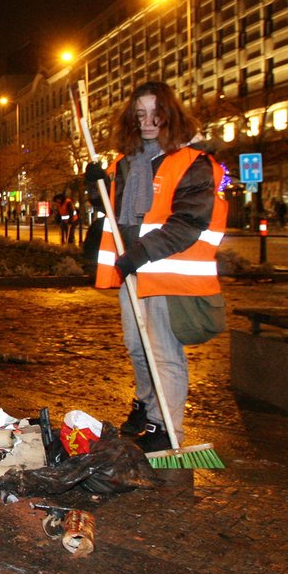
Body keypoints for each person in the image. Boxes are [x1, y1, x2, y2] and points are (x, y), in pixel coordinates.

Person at [85, 81, 226, 452]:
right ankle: (147, 408)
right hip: (134, 270)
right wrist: (97, 189)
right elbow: (119, 215)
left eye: (156, 114)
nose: (148, 122)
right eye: (140, 115)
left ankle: (167, 429)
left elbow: (187, 222)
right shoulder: (125, 163)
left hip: (166, 270)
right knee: (137, 347)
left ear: (170, 116)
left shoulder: (193, 164)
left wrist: (141, 252)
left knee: (163, 352)